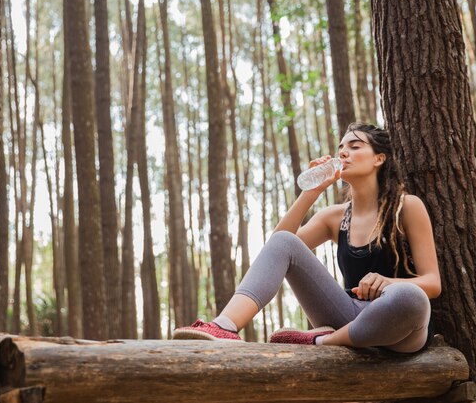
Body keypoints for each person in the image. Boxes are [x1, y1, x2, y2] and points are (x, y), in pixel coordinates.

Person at [173, 122, 441, 352]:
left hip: (400, 327)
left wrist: (388, 283)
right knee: (285, 241)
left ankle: (322, 341)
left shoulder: (406, 207)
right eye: (340, 149)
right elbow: (278, 247)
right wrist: (311, 191)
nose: (343, 153)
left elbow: (432, 283)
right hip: (347, 315)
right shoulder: (334, 217)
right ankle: (224, 327)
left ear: (378, 158)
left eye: (355, 146)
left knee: (411, 297)